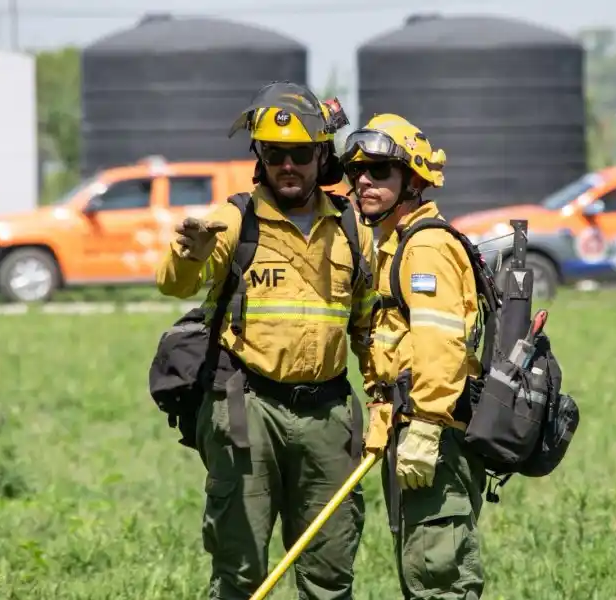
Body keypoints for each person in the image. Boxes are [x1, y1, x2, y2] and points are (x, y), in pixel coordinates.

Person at [155, 81, 377, 600]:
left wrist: (386, 400)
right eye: (274, 154)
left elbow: (370, 328)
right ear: (259, 156)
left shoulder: (350, 227)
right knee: (239, 573)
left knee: (329, 576)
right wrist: (189, 252)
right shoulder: (234, 220)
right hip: (247, 411)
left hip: (328, 417)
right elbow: (175, 283)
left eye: (299, 154)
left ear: (321, 155)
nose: (287, 166)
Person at [341, 114, 489, 600]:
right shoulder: (395, 242)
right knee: (420, 570)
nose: (364, 180)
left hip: (434, 435)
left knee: (438, 577)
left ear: (413, 181)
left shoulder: (424, 248)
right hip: (409, 427)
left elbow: (441, 343)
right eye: (358, 171)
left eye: (380, 171)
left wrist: (423, 427)